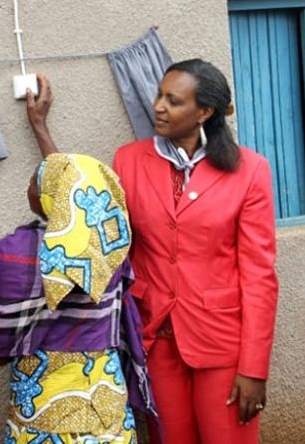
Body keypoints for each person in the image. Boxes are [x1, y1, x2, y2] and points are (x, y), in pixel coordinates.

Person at [26, 60, 279, 444]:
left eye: (173, 101)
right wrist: (42, 129)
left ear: (204, 113)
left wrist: (254, 369)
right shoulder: (129, 160)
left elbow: (260, 275)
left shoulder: (249, 171)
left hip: (223, 343)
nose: (159, 106)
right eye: (159, 95)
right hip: (156, 337)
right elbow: (81, 204)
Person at [0, 152, 156, 443]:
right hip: (105, 400)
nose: (28, 188)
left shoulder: (15, 252)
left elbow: (4, 347)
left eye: (34, 181)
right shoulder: (110, 248)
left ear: (52, 193)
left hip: (41, 405)